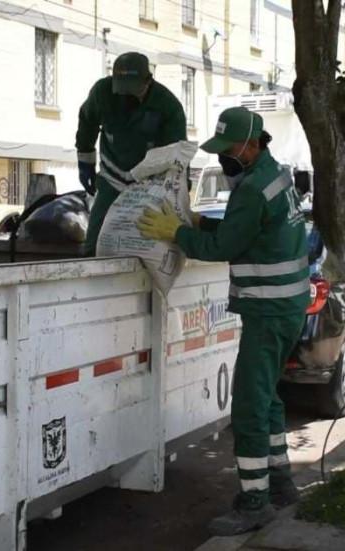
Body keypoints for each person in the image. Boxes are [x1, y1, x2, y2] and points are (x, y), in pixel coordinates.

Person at [136, 107, 309, 536]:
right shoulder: (276, 175)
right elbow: (251, 230)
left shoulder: (250, 189)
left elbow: (226, 246)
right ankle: (281, 483)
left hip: (268, 311)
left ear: (251, 145)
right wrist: (199, 221)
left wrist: (176, 233)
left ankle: (254, 501)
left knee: (249, 405)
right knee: (267, 397)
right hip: (287, 306)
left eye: (228, 150)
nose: (223, 158)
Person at [75, 52, 187, 256]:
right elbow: (87, 122)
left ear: (148, 81)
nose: (127, 96)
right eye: (122, 89)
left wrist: (177, 195)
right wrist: (85, 162)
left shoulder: (167, 106)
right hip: (112, 177)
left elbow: (177, 156)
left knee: (147, 240)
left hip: (150, 184)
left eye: (133, 90)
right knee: (96, 241)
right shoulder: (103, 93)